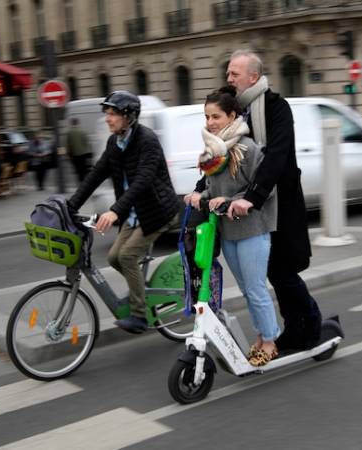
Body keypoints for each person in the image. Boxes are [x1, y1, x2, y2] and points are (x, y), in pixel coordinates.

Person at [188, 50, 322, 351]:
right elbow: (217, 160)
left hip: (278, 202)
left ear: (253, 76)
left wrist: (253, 197)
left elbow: (276, 156)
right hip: (246, 206)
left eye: (234, 73)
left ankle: (311, 323)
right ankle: (287, 330)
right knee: (268, 274)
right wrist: (200, 190)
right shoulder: (235, 111)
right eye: (228, 73)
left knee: (282, 272)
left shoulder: (275, 107)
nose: (229, 78)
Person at [67, 90, 180, 334]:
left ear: (129, 117)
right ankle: (140, 291)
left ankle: (139, 316)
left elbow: (143, 180)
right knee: (113, 257)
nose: (108, 118)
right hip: (134, 212)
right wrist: (70, 206)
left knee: (127, 256)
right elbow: (96, 174)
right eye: (107, 113)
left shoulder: (147, 140)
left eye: (114, 114)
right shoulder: (114, 142)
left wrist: (114, 211)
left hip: (157, 211)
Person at [195, 86, 280, 366]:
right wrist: (200, 196)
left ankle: (269, 340)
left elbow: (263, 190)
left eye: (216, 116)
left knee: (255, 288)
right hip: (228, 231)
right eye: (207, 116)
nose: (210, 122)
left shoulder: (247, 148)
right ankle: (261, 335)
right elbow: (215, 188)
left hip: (252, 229)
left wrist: (230, 199)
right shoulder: (213, 153)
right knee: (246, 289)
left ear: (232, 116)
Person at [67, 118, 93, 184]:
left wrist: (67, 154)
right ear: (78, 123)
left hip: (74, 155)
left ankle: (80, 183)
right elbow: (87, 143)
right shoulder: (82, 131)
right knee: (84, 169)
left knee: (78, 170)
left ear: (71, 124)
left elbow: (67, 145)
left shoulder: (69, 133)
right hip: (83, 154)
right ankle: (85, 182)